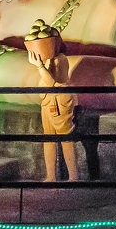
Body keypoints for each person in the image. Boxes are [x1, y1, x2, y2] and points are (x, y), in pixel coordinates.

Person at [23, 20, 79, 182]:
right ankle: (51, 176)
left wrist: (39, 66)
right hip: (48, 100)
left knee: (65, 138)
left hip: (58, 101)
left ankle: (73, 177)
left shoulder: (59, 60)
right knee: (49, 139)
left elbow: (50, 82)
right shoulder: (51, 60)